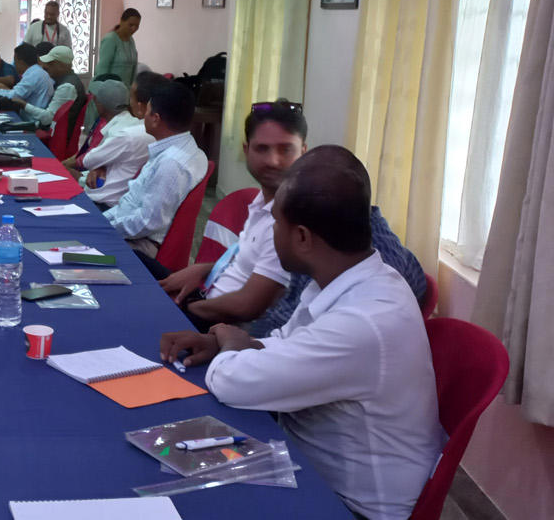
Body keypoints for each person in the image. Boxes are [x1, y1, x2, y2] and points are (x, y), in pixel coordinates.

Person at [160, 147, 445, 520]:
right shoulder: (352, 277)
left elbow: (232, 383)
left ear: (303, 238)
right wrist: (219, 342)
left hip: (349, 506)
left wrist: (231, 346)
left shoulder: (363, 322)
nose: (271, 232)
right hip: (315, 467)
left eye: (276, 223)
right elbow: (289, 342)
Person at [245, 146, 427, 338]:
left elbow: (308, 341)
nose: (273, 161)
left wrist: (246, 346)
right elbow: (287, 327)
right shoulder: (328, 252)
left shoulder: (360, 279)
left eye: (276, 221)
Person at [157, 101, 307, 329]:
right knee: (136, 263)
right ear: (246, 151)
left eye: (286, 149)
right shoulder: (262, 202)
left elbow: (247, 306)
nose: (272, 161)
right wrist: (203, 269)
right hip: (207, 297)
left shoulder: (291, 220)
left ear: (303, 152)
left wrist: (186, 306)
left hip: (219, 325)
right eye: (262, 149)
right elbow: (248, 262)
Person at [102, 74, 208, 262]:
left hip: (138, 245)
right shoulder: (188, 148)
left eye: (148, 111)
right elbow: (130, 203)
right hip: (129, 231)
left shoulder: (171, 163)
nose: (143, 116)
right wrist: (98, 221)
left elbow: (145, 223)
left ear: (156, 119)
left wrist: (101, 228)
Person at [76, 78, 156, 207]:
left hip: (107, 201)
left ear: (100, 105)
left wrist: (96, 166)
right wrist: (99, 166)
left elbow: (88, 161)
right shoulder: (137, 125)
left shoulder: (125, 135)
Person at [5, 45, 84, 129]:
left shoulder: (67, 87)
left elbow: (48, 119)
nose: (46, 66)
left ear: (61, 66)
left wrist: (24, 105)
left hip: (52, 134)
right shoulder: (64, 80)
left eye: (50, 63)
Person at [0, 43, 54, 119]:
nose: (14, 64)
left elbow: (13, 96)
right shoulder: (37, 72)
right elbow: (14, 92)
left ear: (21, 62)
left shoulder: (34, 75)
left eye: (15, 61)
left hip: (30, 120)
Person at [95, 8, 141, 85]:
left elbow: (133, 68)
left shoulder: (131, 40)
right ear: (121, 21)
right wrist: (102, 87)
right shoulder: (111, 39)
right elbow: (102, 68)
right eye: (131, 25)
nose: (134, 29)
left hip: (126, 88)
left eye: (137, 26)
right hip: (110, 87)